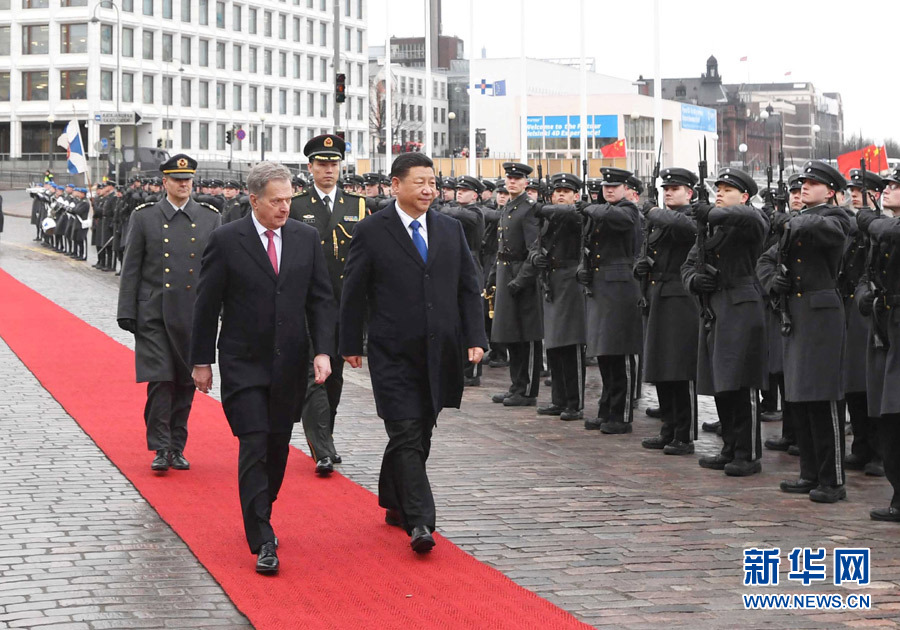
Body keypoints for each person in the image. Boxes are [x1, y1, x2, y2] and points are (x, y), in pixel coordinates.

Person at [191, 162, 336, 573]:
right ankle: (263, 538)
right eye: (277, 201)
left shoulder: (306, 238)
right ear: (254, 200)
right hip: (243, 363)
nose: (285, 208)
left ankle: (261, 508)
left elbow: (321, 299)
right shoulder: (226, 240)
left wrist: (322, 351)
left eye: (289, 199)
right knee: (254, 443)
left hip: (289, 364)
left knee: (276, 448)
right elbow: (207, 305)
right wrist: (202, 361)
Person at [339, 152, 487, 554]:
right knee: (404, 428)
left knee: (420, 429)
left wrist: (476, 337)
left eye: (433, 183)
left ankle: (394, 499)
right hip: (392, 351)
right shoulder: (372, 230)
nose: (428, 190)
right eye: (419, 182)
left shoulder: (450, 229)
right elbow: (354, 291)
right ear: (395, 185)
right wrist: (350, 342)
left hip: (439, 350)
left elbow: (467, 288)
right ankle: (420, 520)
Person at [117, 154, 222, 472]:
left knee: (184, 384)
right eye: (177, 179)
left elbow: (218, 270)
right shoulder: (145, 217)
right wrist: (127, 310)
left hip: (192, 314)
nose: (184, 184)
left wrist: (222, 309)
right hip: (154, 314)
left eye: (188, 179)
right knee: (161, 381)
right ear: (165, 183)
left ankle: (177, 446)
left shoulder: (209, 218)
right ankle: (161, 447)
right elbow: (131, 266)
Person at [757, 160, 851, 503]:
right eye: (801, 185)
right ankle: (810, 472)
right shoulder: (798, 221)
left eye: (812, 183)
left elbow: (829, 231)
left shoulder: (836, 217)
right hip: (795, 313)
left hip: (822, 312)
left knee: (823, 398)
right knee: (801, 398)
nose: (804, 188)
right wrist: (772, 281)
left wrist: (792, 218)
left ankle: (833, 479)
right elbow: (765, 260)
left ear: (831, 192)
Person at [289, 134, 367, 475]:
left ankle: (325, 436)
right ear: (310, 168)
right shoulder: (296, 205)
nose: (328, 170)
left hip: (343, 304)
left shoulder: (357, 206)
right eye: (322, 164)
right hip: (305, 303)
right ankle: (322, 447)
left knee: (333, 378)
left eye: (333, 164)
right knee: (313, 375)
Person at [682, 168, 768, 475]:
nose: (719, 192)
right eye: (717, 188)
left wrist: (712, 214)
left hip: (742, 305)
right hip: (715, 307)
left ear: (744, 196)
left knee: (742, 382)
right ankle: (730, 446)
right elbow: (689, 264)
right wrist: (694, 280)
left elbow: (752, 219)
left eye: (727, 189)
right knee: (722, 383)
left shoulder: (749, 221)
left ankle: (748, 452)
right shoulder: (711, 229)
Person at [634, 168, 700, 453]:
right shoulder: (660, 221)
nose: (669, 192)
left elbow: (683, 228)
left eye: (675, 188)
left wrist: (650, 210)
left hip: (681, 298)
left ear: (690, 193)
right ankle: (668, 427)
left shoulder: (693, 216)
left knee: (680, 367)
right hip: (658, 295)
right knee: (661, 366)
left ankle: (684, 434)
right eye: (666, 188)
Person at [578, 168, 643, 432]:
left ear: (628, 189)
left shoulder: (627, 211)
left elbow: (617, 218)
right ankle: (607, 409)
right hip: (601, 285)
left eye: (615, 186)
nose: (608, 189)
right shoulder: (603, 210)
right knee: (605, 353)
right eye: (606, 186)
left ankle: (622, 414)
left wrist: (589, 208)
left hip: (621, 289)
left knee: (621, 352)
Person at [856, 197, 900, 521]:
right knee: (888, 418)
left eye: (897, 185)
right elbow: (863, 276)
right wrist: (864, 297)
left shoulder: (884, 227)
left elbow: (891, 230)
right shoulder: (882, 230)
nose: (889, 189)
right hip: (884, 326)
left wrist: (871, 222)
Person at [531, 173, 587, 421]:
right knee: (553, 343)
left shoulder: (577, 215)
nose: (560, 195)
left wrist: (545, 208)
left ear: (576, 195)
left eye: (566, 191)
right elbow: (535, 245)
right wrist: (535, 258)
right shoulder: (549, 216)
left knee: (571, 342)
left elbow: (572, 215)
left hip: (570, 279)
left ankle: (574, 402)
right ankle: (559, 398)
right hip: (551, 281)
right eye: (557, 191)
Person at [842, 168, 885, 477]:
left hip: (873, 311)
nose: (854, 193)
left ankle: (879, 451)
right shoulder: (850, 225)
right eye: (852, 189)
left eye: (862, 189)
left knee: (872, 383)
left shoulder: (880, 226)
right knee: (853, 383)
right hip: (850, 305)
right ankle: (861, 444)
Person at [441, 175, 486, 386]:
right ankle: (461, 367)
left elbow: (456, 214)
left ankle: (473, 371)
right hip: (454, 263)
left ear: (475, 195)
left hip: (471, 262)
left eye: (464, 190)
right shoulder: (453, 209)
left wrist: (440, 207)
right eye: (458, 190)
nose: (459, 192)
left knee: (471, 316)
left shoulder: (476, 212)